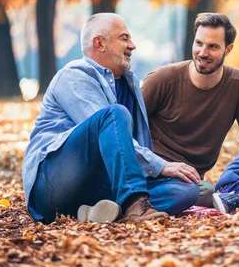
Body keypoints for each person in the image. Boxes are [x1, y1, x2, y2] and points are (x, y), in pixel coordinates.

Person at [22, 13, 200, 224]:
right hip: (51, 186)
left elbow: (126, 154)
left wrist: (165, 172)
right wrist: (161, 166)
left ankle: (98, 211)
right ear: (100, 43)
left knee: (186, 190)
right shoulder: (74, 76)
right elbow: (106, 125)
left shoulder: (129, 84)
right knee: (114, 114)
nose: (132, 46)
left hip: (96, 187)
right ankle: (135, 204)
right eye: (124, 38)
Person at [141, 13, 239, 207]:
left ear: (228, 49)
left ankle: (125, 203)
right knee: (195, 193)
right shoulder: (162, 79)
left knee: (207, 191)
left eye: (213, 46)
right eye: (199, 43)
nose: (203, 52)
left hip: (188, 180)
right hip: (150, 170)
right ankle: (129, 199)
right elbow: (124, 131)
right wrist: (157, 166)